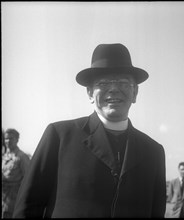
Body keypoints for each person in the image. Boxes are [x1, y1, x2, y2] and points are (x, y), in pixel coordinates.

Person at [13, 43, 166, 218]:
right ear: (90, 93)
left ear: (135, 92)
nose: (114, 89)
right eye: (103, 83)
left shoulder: (153, 151)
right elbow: (27, 207)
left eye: (123, 82)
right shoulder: (60, 136)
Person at [2, 128, 30, 218]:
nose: (8, 141)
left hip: (14, 201)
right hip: (3, 199)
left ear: (17, 140)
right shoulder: (3, 157)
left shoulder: (22, 157)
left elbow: (28, 180)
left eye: (11, 138)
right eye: (6, 138)